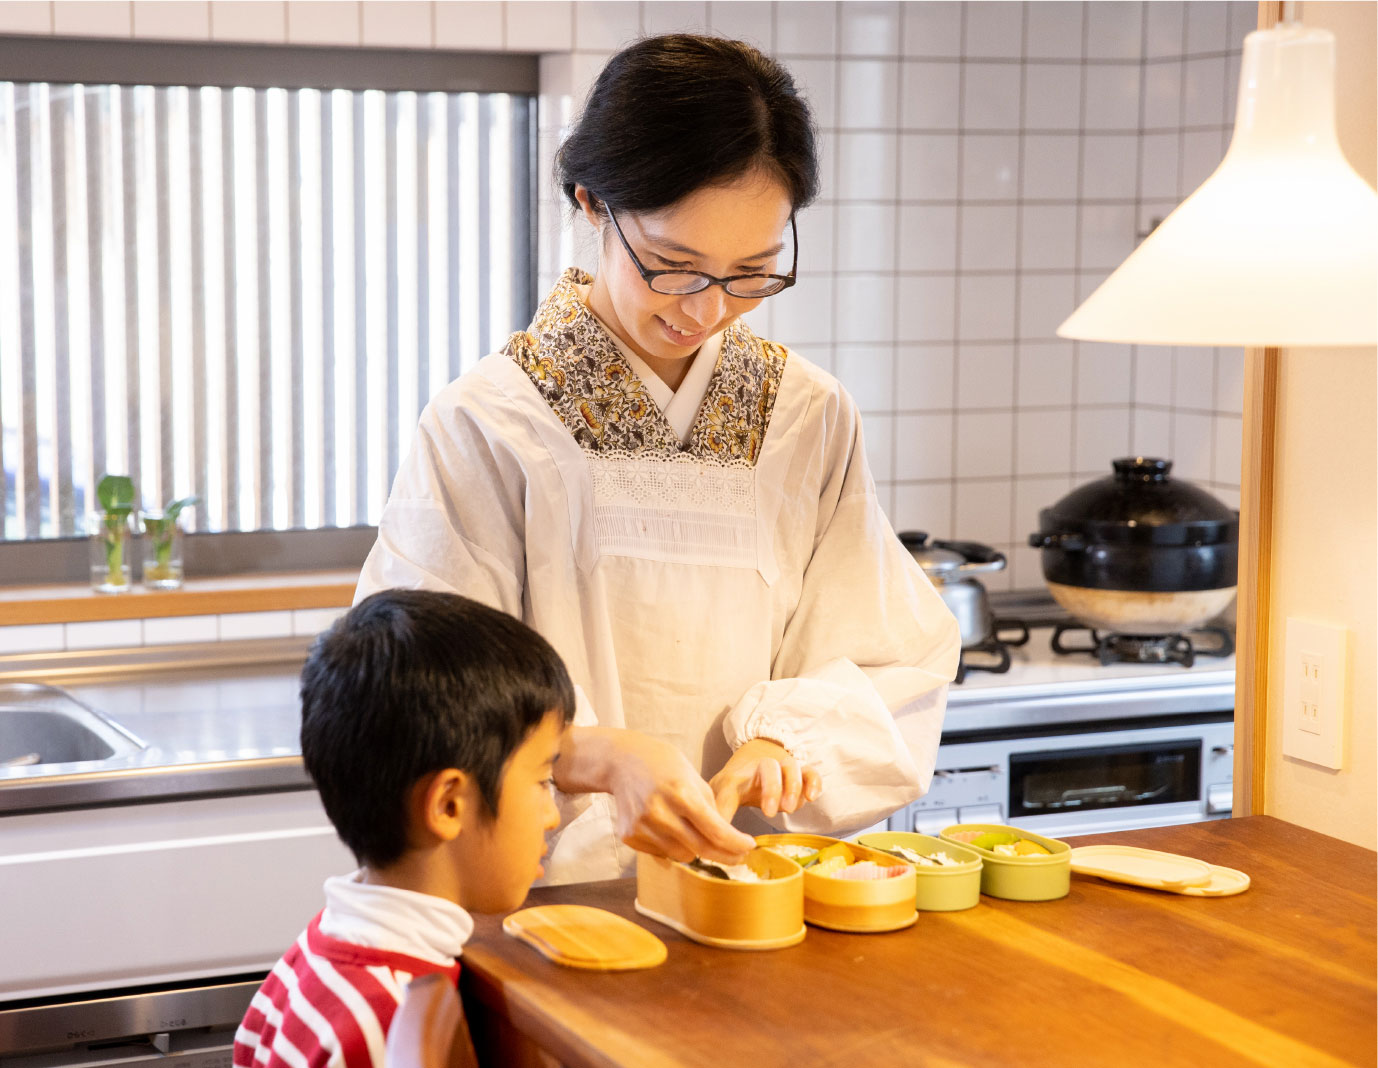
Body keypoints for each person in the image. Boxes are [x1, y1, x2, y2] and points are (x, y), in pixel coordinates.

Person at [357, 34, 960, 884]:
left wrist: (784, 740)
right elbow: (412, 695)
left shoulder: (807, 417)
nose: (708, 310)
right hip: (546, 906)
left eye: (751, 273)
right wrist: (597, 757)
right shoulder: (491, 423)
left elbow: (894, 654)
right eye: (672, 267)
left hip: (752, 891)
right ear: (593, 204)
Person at [233, 589, 573, 1068]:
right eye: (542, 780)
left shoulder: (314, 953)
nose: (552, 814)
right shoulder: (395, 1029)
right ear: (449, 805)